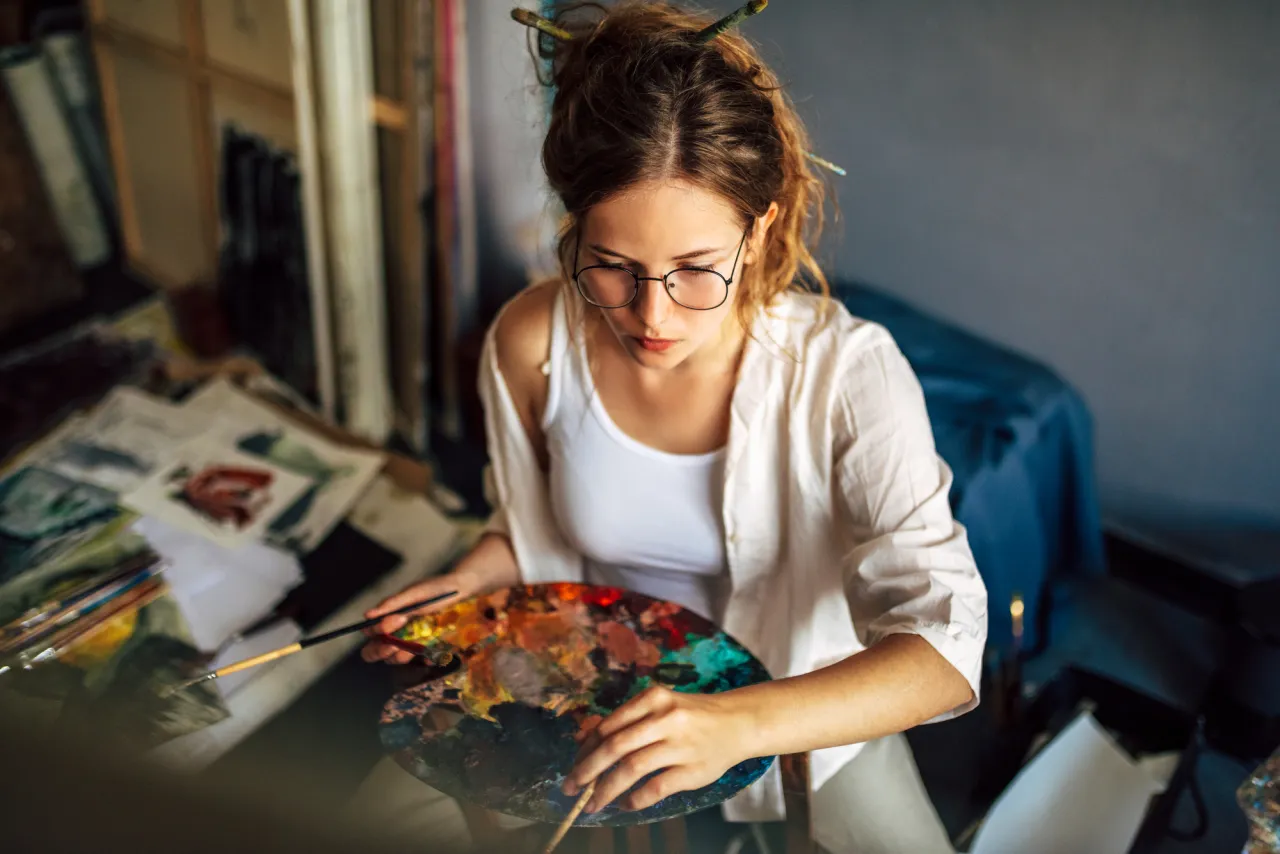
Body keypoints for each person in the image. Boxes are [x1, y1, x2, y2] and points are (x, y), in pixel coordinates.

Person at [359, 3, 987, 852]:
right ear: (574, 228)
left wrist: (736, 725)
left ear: (757, 228)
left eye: (696, 271)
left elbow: (945, 648)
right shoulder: (531, 343)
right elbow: (532, 535)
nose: (650, 316)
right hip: (579, 691)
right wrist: (474, 577)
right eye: (613, 267)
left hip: (796, 712)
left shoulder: (848, 373)